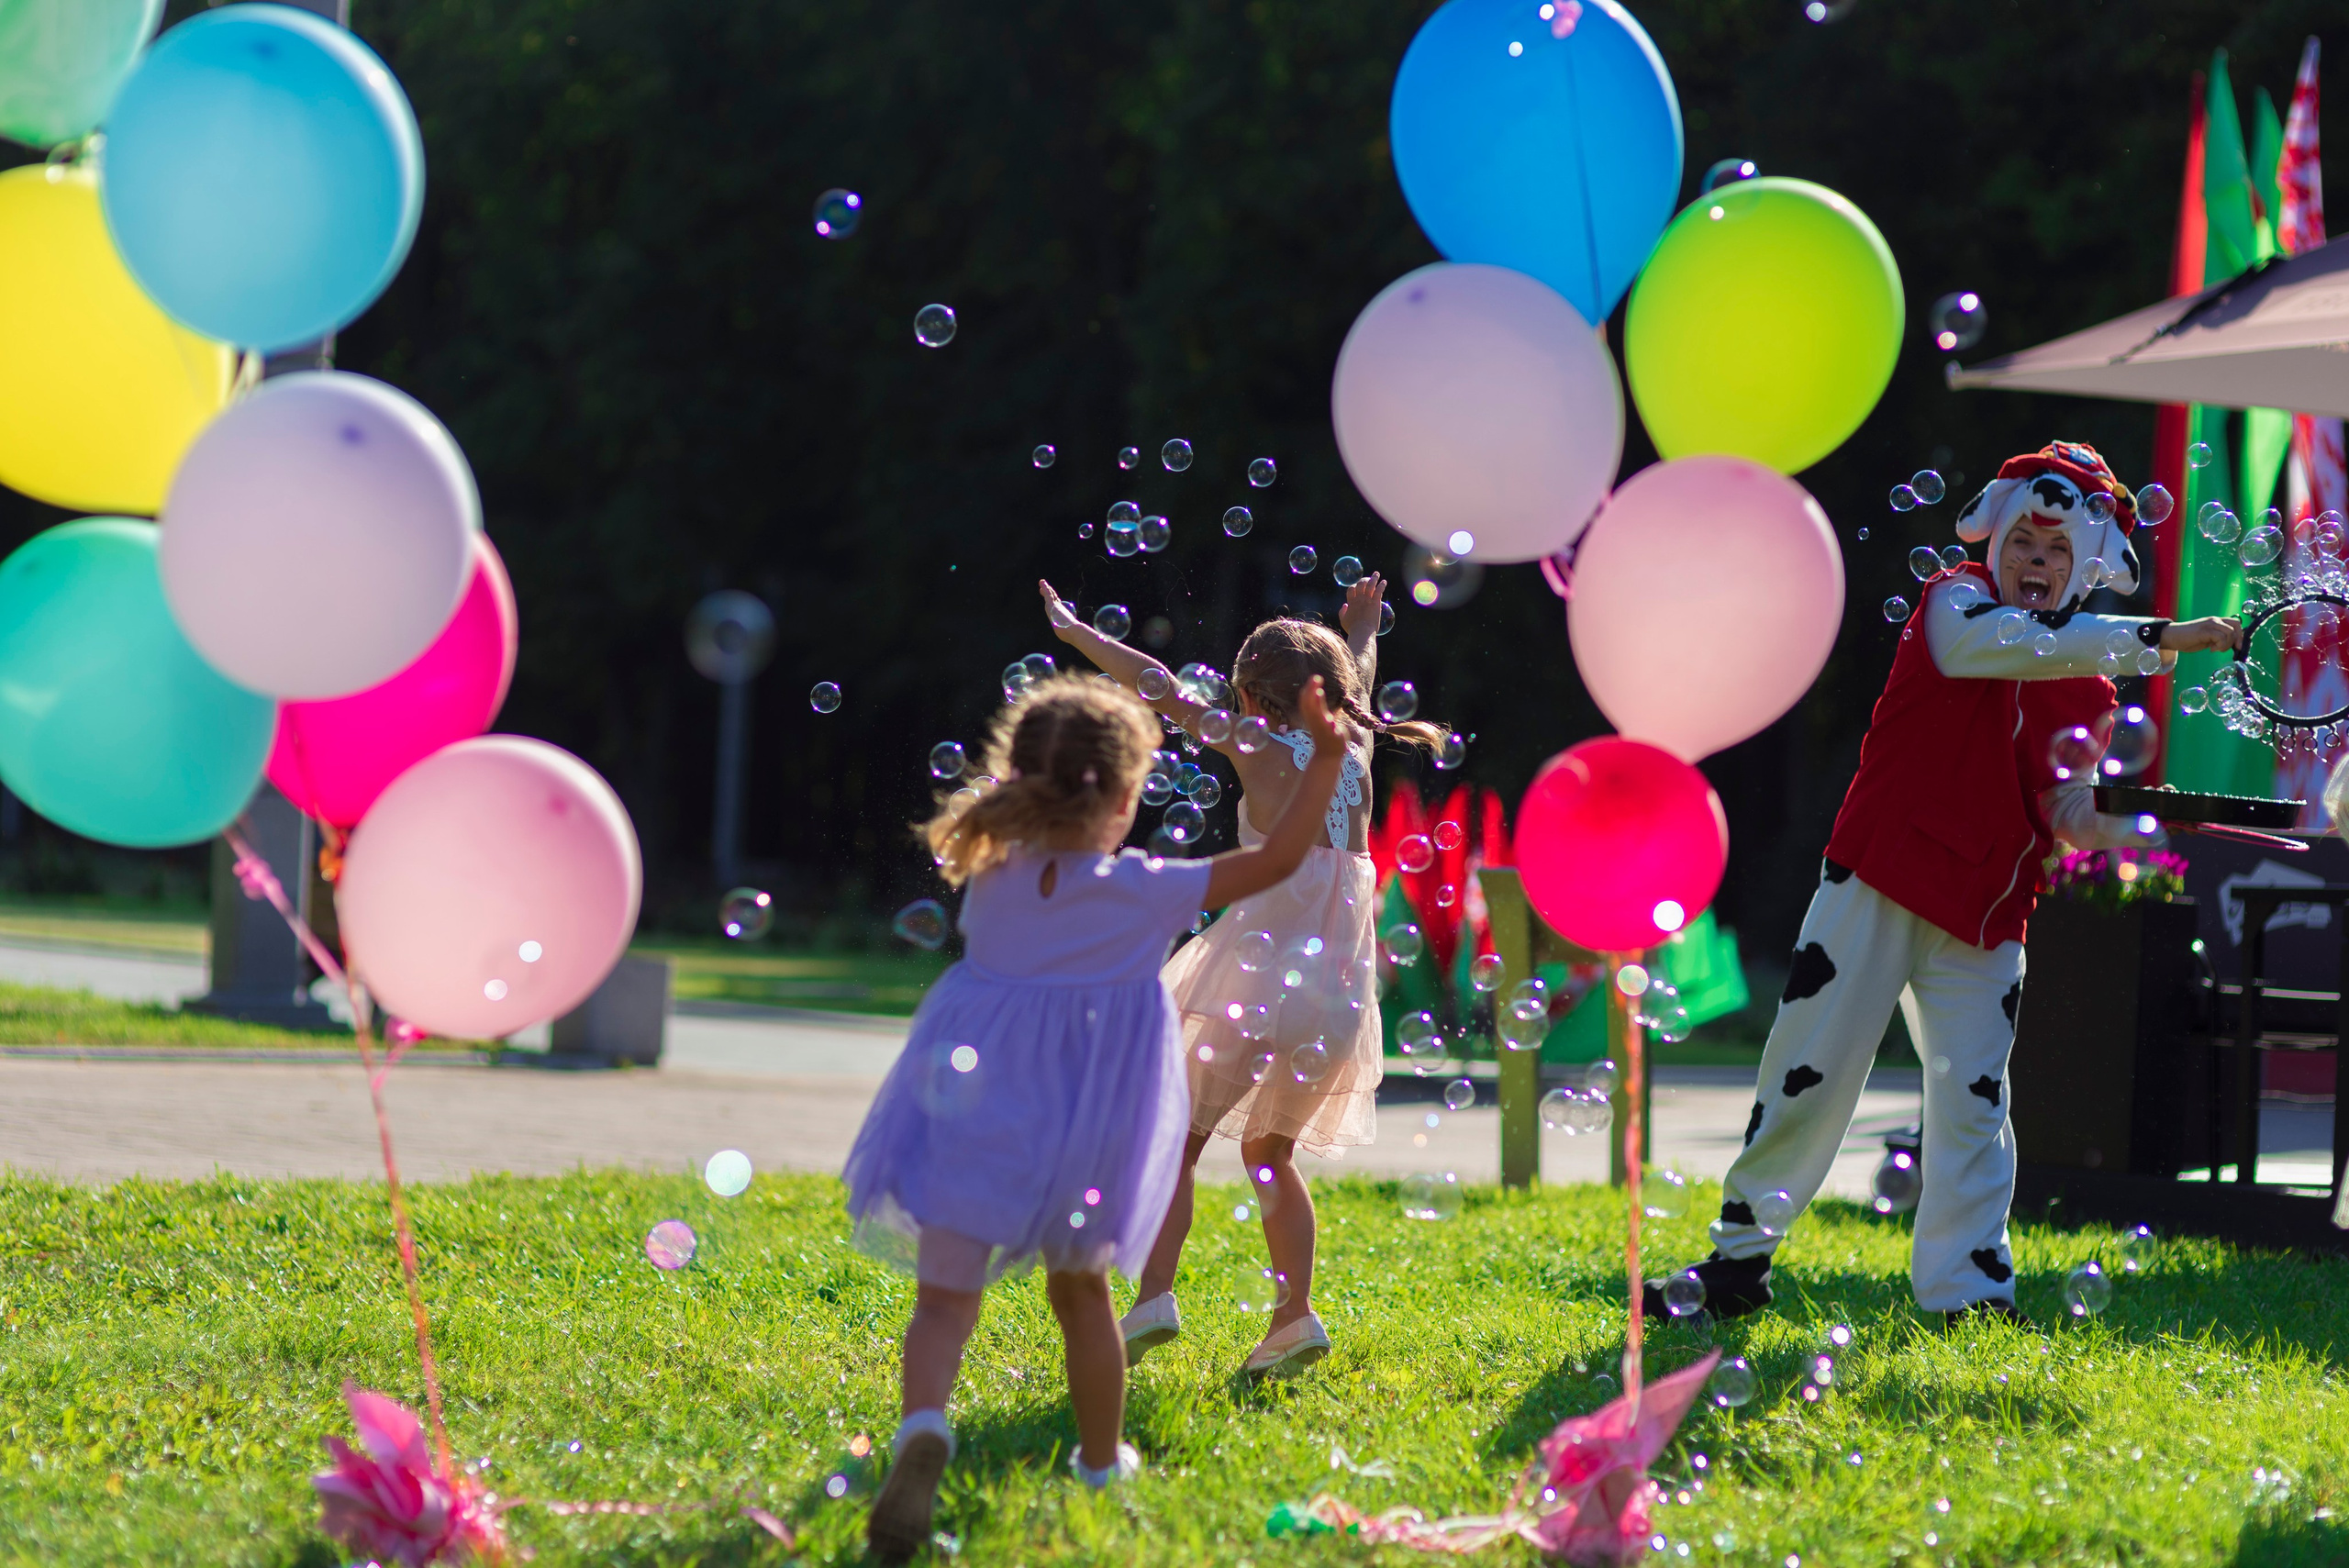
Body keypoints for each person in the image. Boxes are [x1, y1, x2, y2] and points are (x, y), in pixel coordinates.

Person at [1642, 441, 2242, 1328]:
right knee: (1809, 1075)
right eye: (2025, 548)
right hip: (1880, 878)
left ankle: (1971, 1293)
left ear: (2084, 570)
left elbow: (2064, 807)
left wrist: (2143, 817)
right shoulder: (1952, 600)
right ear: (1994, 544)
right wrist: (2161, 638)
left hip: (1987, 912)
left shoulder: (2087, 684)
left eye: (2056, 554)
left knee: (1973, 1105)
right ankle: (1738, 1261)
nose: (2036, 566)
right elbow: (1980, 651)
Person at [847, 670, 1346, 1563]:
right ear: (1123, 797)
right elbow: (1276, 862)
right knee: (1081, 1293)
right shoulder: (1140, 886)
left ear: (1018, 777)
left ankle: (923, 1424)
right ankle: (1100, 1459)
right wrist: (1328, 757)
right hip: (1085, 1127)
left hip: (974, 1108)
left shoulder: (989, 870)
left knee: (942, 1298)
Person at [1041, 573, 1447, 1376]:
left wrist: (1077, 634)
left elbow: (1155, 687)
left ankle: (1155, 1294)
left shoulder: (1255, 743)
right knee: (1271, 1153)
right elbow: (1351, 687)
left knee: (1177, 1140)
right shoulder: (1357, 745)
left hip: (1256, 980)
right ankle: (1293, 1316)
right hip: (1335, 997)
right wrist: (1362, 632)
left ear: (1252, 697)